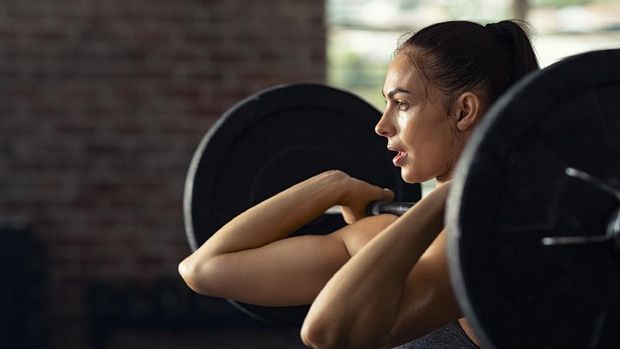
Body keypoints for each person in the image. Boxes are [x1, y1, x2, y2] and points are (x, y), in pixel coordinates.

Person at [178, 20, 539, 348]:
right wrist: (331, 186)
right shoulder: (387, 232)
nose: (382, 125)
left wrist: (453, 195)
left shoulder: (486, 245)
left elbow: (326, 332)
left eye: (401, 103)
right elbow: (204, 269)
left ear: (463, 111)